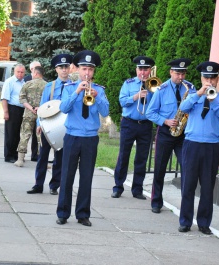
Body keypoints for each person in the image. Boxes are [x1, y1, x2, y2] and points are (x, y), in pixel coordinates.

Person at [56, 50, 109, 227]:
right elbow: (63, 108)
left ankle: (83, 214)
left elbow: (105, 112)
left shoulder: (99, 90)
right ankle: (63, 213)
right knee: (67, 176)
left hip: (90, 139)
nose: (87, 73)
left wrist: (97, 98)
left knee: (86, 177)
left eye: (90, 70)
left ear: (94, 72)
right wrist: (77, 92)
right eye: (84, 68)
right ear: (77, 69)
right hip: (72, 136)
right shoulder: (69, 88)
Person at [178, 61, 219, 234]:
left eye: (212, 77)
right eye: (206, 77)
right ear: (201, 78)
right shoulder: (193, 95)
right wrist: (199, 95)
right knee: (188, 185)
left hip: (211, 146)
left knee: (207, 187)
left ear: (217, 79)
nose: (209, 80)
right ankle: (185, 221)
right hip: (192, 144)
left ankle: (204, 223)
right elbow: (183, 107)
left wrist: (213, 100)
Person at [146, 58, 196, 214]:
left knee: (187, 169)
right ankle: (156, 201)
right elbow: (150, 112)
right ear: (171, 72)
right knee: (160, 169)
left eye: (183, 73)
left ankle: (186, 206)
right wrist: (165, 121)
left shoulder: (190, 88)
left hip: (183, 135)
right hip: (165, 134)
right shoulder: (162, 89)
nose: (180, 77)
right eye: (177, 73)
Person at [26, 54, 73, 195]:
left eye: (66, 67)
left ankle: (54, 185)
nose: (64, 70)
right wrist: (39, 123)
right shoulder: (50, 86)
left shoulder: (74, 86)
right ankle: (38, 184)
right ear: (56, 69)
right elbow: (42, 106)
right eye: (61, 67)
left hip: (65, 126)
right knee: (43, 156)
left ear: (70, 68)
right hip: (49, 125)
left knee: (60, 157)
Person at [111, 56, 155, 200]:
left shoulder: (154, 85)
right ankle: (118, 187)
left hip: (145, 124)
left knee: (141, 158)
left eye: (146, 69)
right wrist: (136, 96)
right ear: (136, 70)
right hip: (129, 123)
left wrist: (152, 92)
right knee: (124, 155)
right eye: (140, 69)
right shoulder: (128, 84)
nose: (143, 72)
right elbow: (122, 101)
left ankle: (137, 189)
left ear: (150, 71)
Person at [14, 66, 47, 167]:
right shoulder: (47, 85)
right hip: (42, 114)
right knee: (41, 137)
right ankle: (42, 160)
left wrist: (31, 108)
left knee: (25, 135)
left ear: (36, 73)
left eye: (32, 73)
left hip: (28, 113)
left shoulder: (27, 84)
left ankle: (20, 159)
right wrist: (39, 108)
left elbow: (22, 99)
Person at [1, 64, 26, 163]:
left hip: (21, 110)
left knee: (18, 134)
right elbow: (4, 98)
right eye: (18, 72)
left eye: (22, 72)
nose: (20, 74)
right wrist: (6, 112)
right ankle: (9, 155)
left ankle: (15, 154)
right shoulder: (10, 82)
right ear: (14, 72)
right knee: (10, 133)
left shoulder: (24, 83)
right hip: (12, 109)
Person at [23, 60, 42, 161]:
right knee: (25, 134)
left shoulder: (45, 82)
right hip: (28, 112)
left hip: (40, 113)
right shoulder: (26, 80)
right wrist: (31, 108)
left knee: (38, 135)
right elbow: (22, 97)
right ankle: (21, 157)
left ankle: (36, 155)